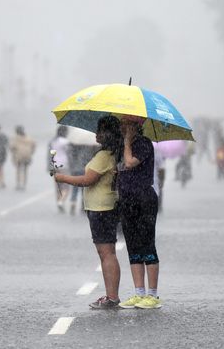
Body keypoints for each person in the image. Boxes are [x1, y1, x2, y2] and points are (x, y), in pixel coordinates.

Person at [54, 116, 122, 309]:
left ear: (107, 134)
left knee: (107, 253)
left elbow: (88, 180)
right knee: (106, 253)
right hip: (103, 207)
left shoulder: (104, 156)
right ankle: (111, 296)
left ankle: (112, 297)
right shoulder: (110, 153)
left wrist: (63, 178)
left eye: (100, 131)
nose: (97, 134)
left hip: (101, 208)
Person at [117, 115, 161, 309]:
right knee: (133, 246)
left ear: (135, 127)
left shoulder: (143, 144)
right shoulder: (124, 144)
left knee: (147, 245)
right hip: (127, 200)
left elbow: (129, 163)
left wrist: (127, 143)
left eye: (125, 125)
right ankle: (138, 292)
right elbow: (122, 168)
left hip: (144, 199)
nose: (122, 128)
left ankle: (152, 295)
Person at [48, 126, 71, 212]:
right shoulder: (66, 142)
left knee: (58, 186)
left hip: (55, 165)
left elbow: (51, 153)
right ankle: (61, 201)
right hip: (64, 165)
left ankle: (58, 202)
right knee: (66, 187)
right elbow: (69, 153)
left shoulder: (53, 141)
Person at [10, 125, 36, 191]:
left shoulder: (15, 138)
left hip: (19, 156)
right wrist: (31, 152)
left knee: (18, 170)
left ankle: (18, 184)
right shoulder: (28, 138)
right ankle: (24, 184)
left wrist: (13, 154)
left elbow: (12, 148)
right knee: (25, 171)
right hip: (27, 156)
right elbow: (34, 145)